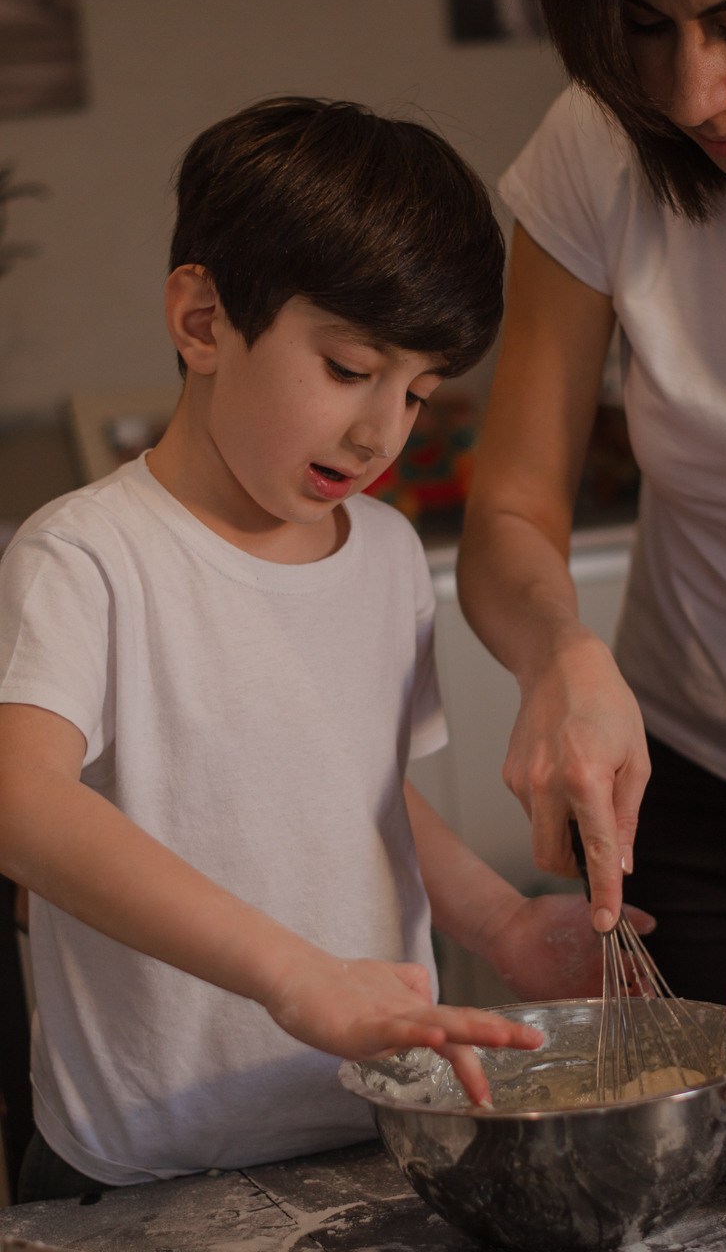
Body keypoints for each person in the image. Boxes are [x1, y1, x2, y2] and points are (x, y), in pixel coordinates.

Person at [0, 95, 648, 1203]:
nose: (378, 430)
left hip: (368, 1129)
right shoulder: (87, 554)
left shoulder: (386, 552)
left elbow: (361, 789)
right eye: (348, 369)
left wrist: (498, 919)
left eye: (417, 392)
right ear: (202, 321)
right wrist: (291, 973)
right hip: (143, 1164)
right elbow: (21, 801)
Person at [457, 0, 726, 1119]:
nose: (689, 91)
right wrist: (560, 657)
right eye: (640, 28)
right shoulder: (598, 147)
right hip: (683, 795)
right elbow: (511, 513)